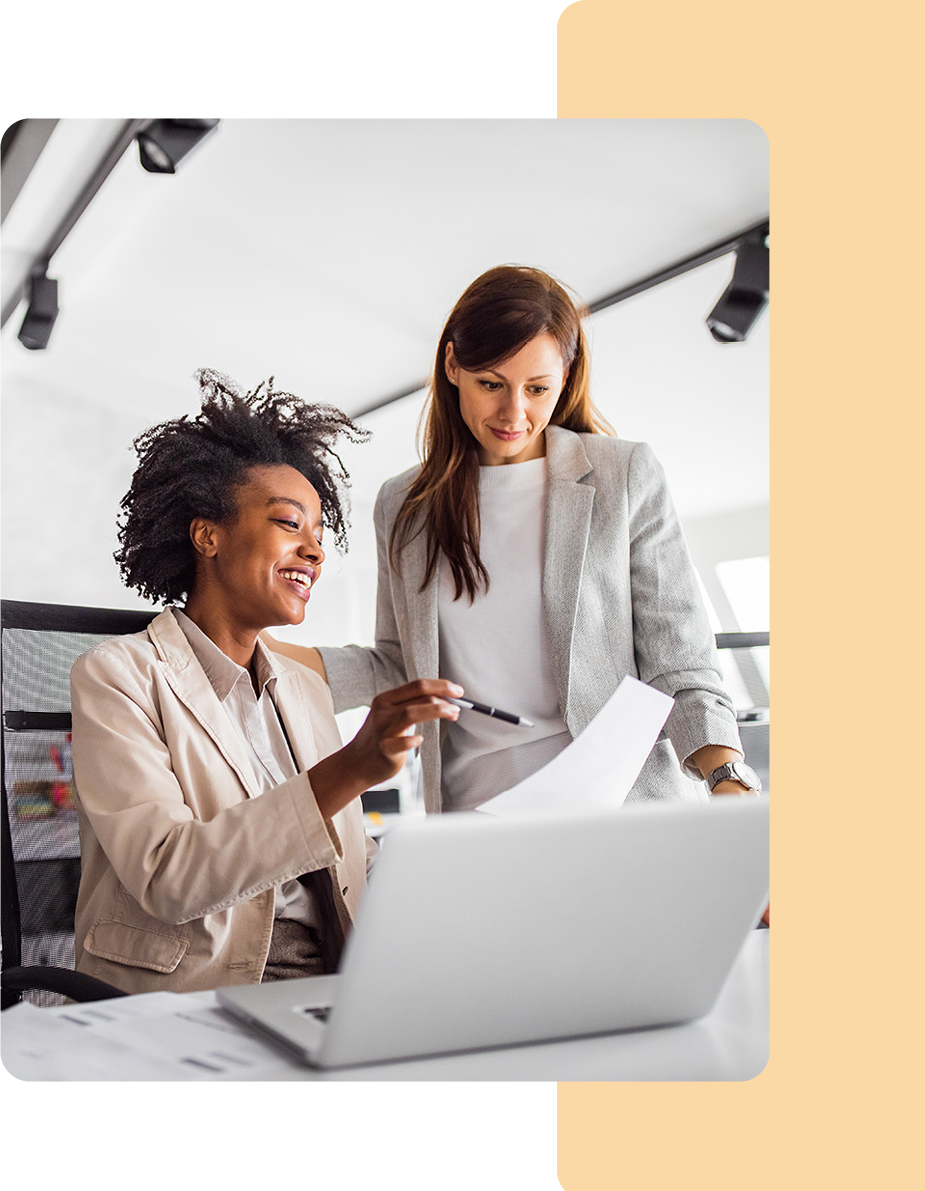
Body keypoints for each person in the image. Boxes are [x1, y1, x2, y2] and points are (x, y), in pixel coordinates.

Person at [266, 265, 764, 818]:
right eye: (491, 384)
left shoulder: (624, 477)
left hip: (622, 813)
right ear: (453, 364)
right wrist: (248, 650)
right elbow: (399, 664)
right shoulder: (404, 504)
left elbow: (681, 664)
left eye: (537, 389)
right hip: (477, 819)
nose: (513, 413)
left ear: (566, 376)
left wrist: (729, 782)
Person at [71, 369, 463, 995]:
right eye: (289, 524)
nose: (315, 551)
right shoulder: (118, 677)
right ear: (208, 536)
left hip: (332, 980)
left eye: (317, 533)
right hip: (201, 992)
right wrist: (353, 768)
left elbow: (347, 861)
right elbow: (168, 876)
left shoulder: (302, 687)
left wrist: (458, 868)